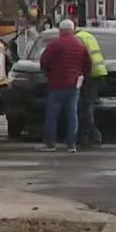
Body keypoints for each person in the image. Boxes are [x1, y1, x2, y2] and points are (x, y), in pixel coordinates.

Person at [39, 19, 93, 152]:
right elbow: (88, 63)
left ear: (60, 31)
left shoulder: (54, 44)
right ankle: (71, 144)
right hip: (74, 84)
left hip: (56, 84)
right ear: (73, 30)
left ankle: (51, 143)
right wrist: (82, 75)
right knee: (72, 114)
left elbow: (44, 61)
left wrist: (48, 74)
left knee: (52, 114)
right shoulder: (80, 45)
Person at [74, 24, 109, 147]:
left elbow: (80, 57)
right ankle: (86, 134)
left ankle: (93, 134)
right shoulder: (88, 36)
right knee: (87, 105)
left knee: (85, 106)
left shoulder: (77, 38)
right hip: (100, 72)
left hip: (91, 74)